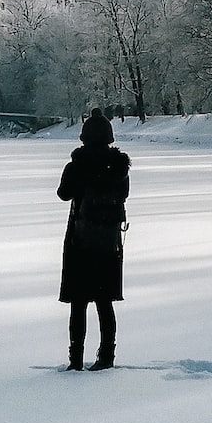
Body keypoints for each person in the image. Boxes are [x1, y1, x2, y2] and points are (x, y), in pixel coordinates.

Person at [58, 109, 130, 371]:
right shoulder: (119, 168)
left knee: (78, 304)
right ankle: (107, 357)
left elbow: (63, 194)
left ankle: (75, 359)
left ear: (84, 137)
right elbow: (123, 195)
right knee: (104, 303)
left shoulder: (76, 166)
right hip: (109, 244)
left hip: (80, 242)